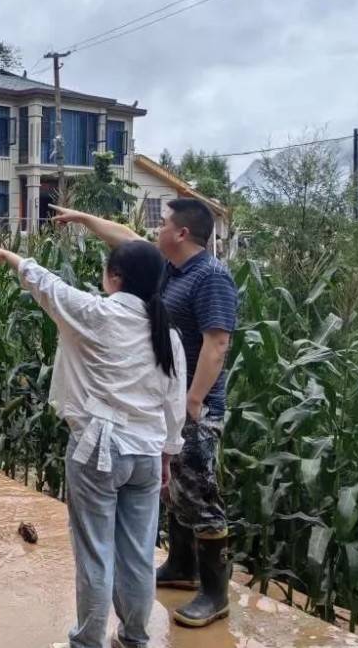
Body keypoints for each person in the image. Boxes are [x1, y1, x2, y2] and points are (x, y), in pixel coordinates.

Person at [0, 240, 186, 648]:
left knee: (95, 552)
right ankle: (134, 638)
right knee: (139, 554)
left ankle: (88, 642)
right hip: (145, 453)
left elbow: (47, 285)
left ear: (115, 277)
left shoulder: (95, 313)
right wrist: (167, 457)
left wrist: (13, 258)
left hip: (98, 450)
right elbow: (174, 407)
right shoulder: (168, 334)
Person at [50, 199, 239, 628]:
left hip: (191, 404)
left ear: (181, 234)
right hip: (162, 403)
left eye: (164, 223)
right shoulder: (169, 269)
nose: (156, 229)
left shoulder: (210, 277)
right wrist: (83, 218)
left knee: (201, 494)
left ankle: (215, 593)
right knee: (176, 491)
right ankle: (181, 567)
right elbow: (127, 239)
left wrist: (192, 402)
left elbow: (218, 343)